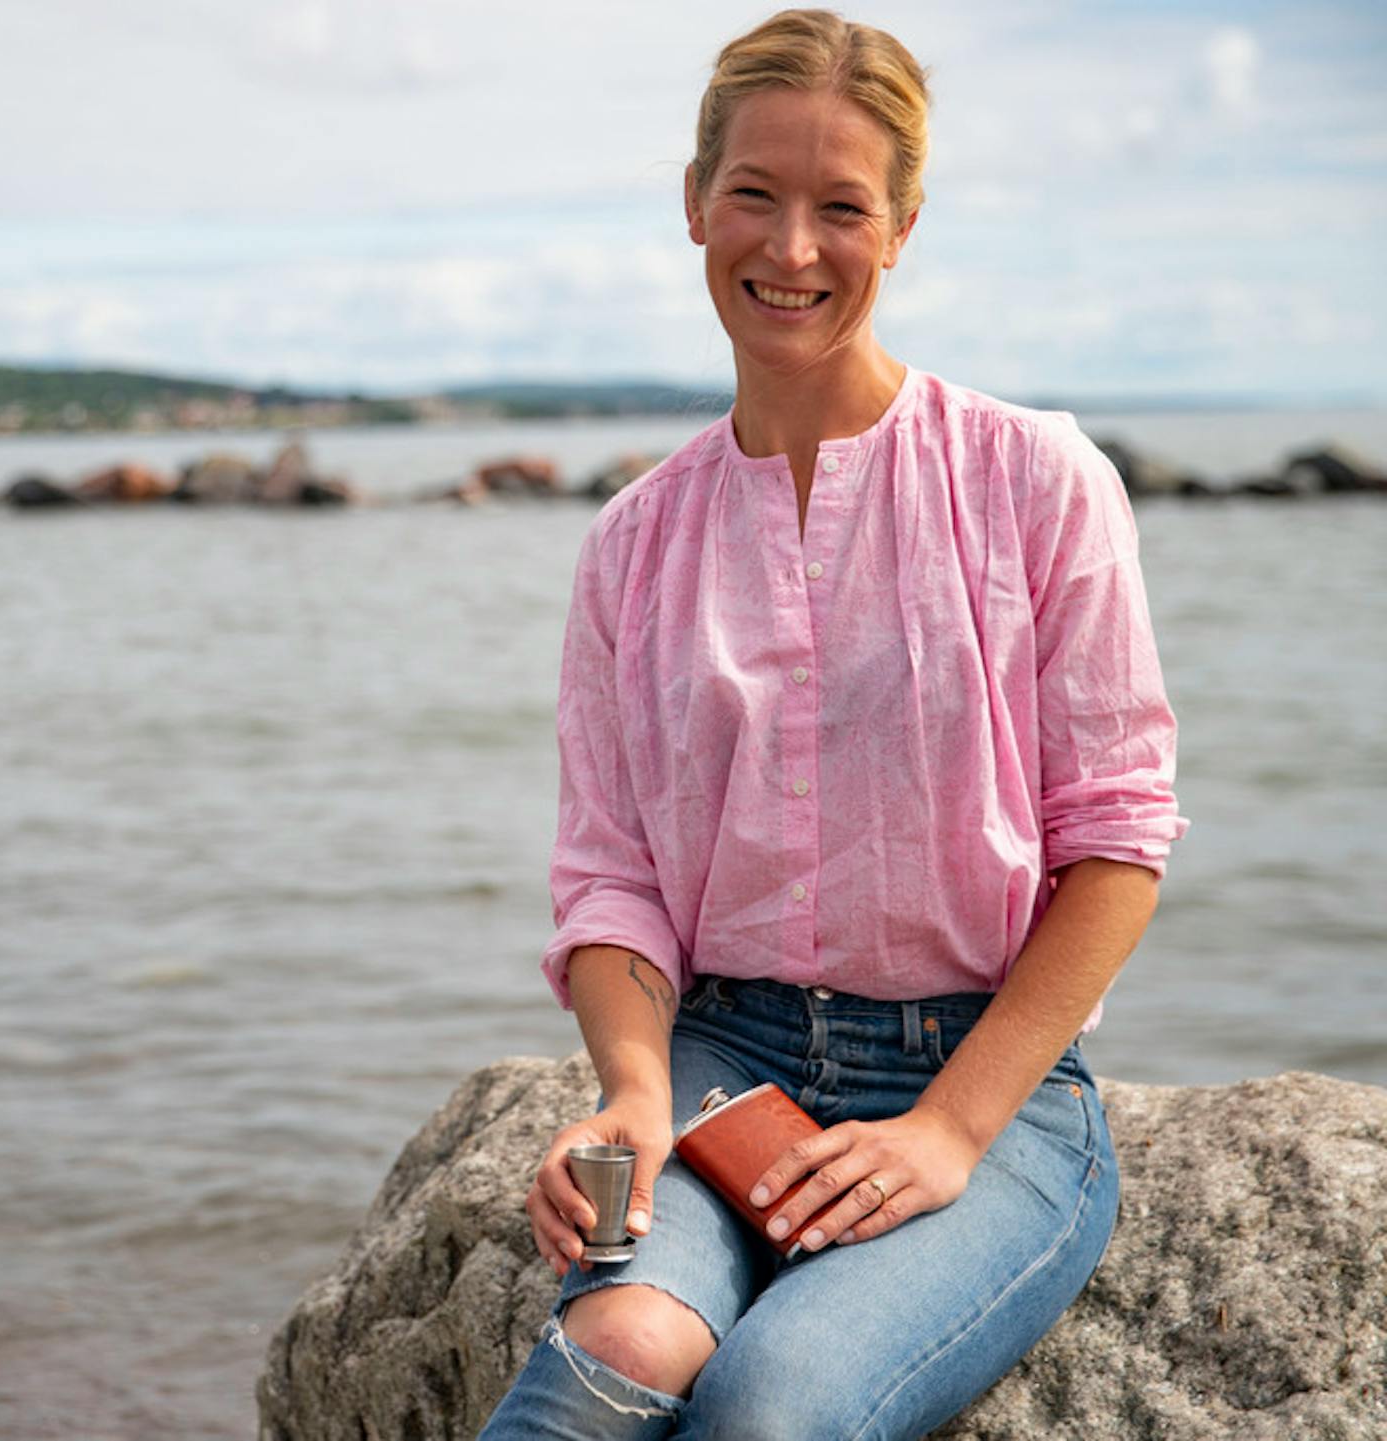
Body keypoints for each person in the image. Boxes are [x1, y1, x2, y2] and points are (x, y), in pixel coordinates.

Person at [477, 9, 1187, 1439]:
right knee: (618, 1338)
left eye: (842, 208)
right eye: (754, 194)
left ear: (903, 226)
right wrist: (627, 1088)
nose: (791, 249)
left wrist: (948, 1130)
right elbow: (612, 874)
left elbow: (1117, 843)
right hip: (719, 1063)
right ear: (694, 203)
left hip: (987, 1078)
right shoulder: (633, 540)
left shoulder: (1036, 478)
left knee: (771, 1401)